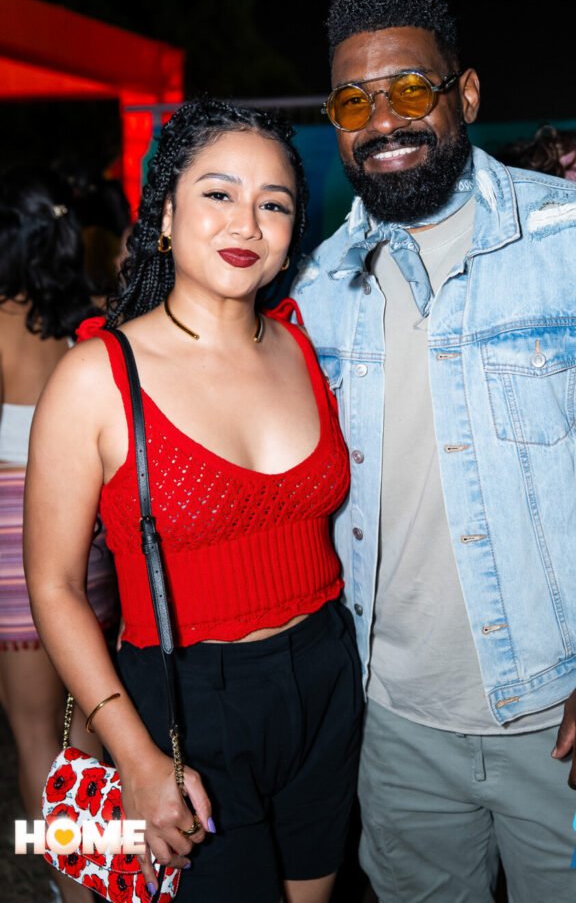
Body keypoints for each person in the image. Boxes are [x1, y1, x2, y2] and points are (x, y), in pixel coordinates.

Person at [291, 0, 576, 903]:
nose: (382, 120)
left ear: (464, 94)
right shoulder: (322, 282)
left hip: (573, 716)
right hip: (392, 728)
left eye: (409, 89)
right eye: (353, 102)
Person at [24, 100, 362, 903]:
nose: (246, 223)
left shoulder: (302, 344)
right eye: (218, 194)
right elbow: (55, 586)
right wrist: (134, 755)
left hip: (326, 673)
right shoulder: (96, 377)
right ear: (166, 215)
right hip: (187, 702)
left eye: (274, 204)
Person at [0, 165, 118, 903]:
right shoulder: (96, 320)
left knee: (35, 734)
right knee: (88, 728)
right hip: (86, 540)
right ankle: (103, 877)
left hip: (14, 548)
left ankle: (70, 890)